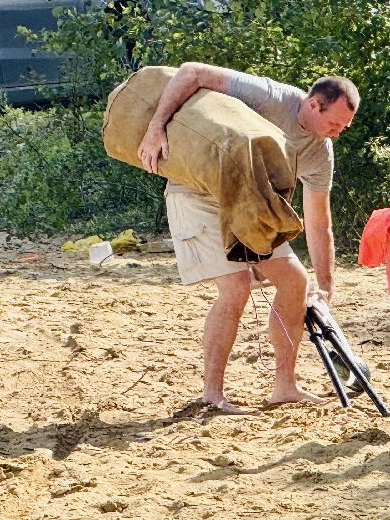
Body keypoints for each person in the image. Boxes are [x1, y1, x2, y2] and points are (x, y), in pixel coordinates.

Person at [137, 63, 359, 412]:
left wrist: (325, 286)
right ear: (313, 104)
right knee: (236, 286)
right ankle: (212, 393)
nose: (336, 133)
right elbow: (191, 72)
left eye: (343, 128)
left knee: (295, 282)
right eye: (334, 123)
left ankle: (284, 386)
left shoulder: (320, 152)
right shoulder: (272, 96)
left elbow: (319, 221)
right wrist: (155, 129)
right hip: (197, 193)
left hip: (250, 204)